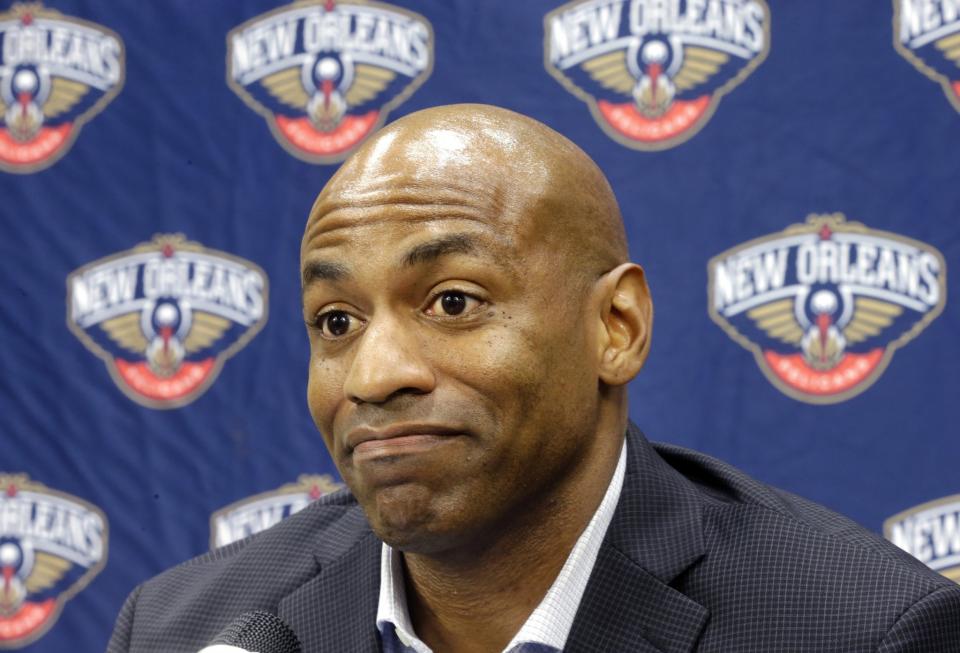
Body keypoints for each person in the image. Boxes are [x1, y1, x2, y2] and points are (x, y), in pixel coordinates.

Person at [108, 104, 960, 652]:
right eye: (338, 321)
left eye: (452, 301)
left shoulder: (857, 630)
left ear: (614, 328)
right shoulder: (184, 629)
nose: (373, 375)